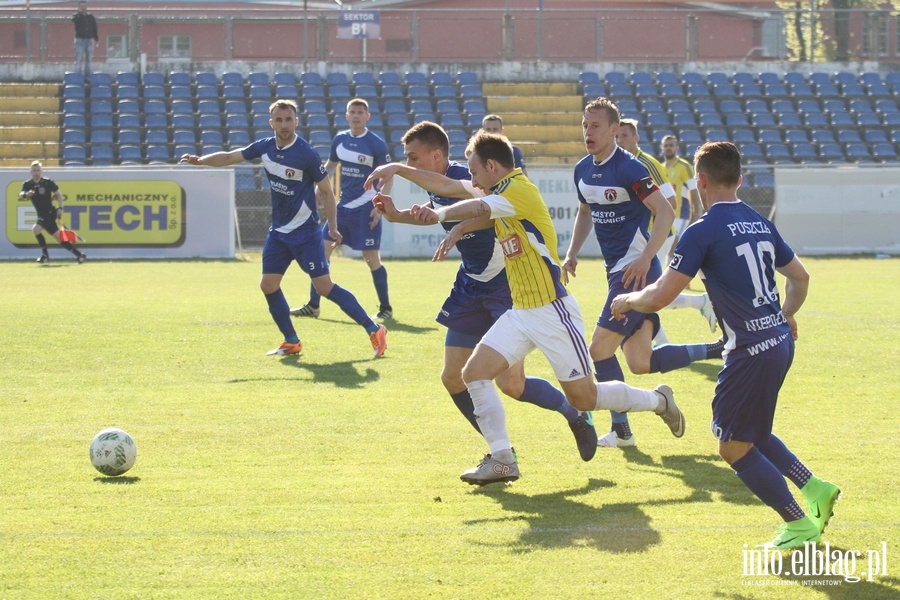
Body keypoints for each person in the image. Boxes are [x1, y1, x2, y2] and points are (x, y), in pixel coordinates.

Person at [372, 131, 686, 486]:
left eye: (474, 173)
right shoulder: (500, 189)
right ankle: (503, 459)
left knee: (586, 396)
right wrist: (453, 226)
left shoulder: (517, 191)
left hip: (552, 311)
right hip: (520, 311)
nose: (471, 181)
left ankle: (658, 401)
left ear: (492, 167)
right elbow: (481, 209)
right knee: (473, 373)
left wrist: (441, 214)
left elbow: (478, 206)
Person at [610, 141, 840, 550]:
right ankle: (816, 488)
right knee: (752, 430)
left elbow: (661, 295)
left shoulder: (703, 230)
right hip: (778, 342)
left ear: (699, 181)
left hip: (750, 351)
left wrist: (628, 300)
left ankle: (798, 524)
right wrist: (785, 315)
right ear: (739, 179)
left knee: (732, 445)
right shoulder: (759, 221)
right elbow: (801, 278)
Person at [364, 121, 598, 464]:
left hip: (506, 284)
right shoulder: (436, 183)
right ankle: (502, 452)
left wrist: (398, 170)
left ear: (437, 155)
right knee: (453, 377)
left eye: (413, 158)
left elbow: (456, 193)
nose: (409, 164)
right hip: (471, 283)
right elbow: (435, 208)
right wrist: (398, 216)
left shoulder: (467, 178)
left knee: (512, 385)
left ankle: (575, 414)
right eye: (406, 159)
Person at [564, 98, 723, 449]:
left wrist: (646, 258)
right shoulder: (582, 170)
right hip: (616, 271)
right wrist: (572, 253)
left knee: (599, 350)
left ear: (614, 131)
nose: (588, 132)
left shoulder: (630, 169)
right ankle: (720, 349)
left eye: (595, 126)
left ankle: (622, 431)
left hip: (634, 272)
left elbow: (665, 213)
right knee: (640, 361)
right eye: (584, 125)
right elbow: (586, 212)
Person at [180, 99, 387, 358]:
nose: (284, 124)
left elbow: (326, 191)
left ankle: (374, 328)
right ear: (272, 123)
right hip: (278, 233)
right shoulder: (265, 147)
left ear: (296, 121)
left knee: (324, 287)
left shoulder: (306, 154)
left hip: (306, 234)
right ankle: (291, 340)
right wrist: (200, 160)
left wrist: (332, 227)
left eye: (289, 119)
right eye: (279, 120)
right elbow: (231, 156)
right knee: (268, 284)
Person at [291, 98, 394, 321]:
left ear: (368, 116)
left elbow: (388, 176)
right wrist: (320, 186)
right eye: (352, 112)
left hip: (367, 208)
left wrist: (381, 206)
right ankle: (313, 305)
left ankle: (386, 308)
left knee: (371, 258)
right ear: (346, 116)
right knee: (320, 252)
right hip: (342, 209)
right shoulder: (339, 140)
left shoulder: (376, 144)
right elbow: (330, 166)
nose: (356, 116)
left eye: (360, 112)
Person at [617, 120, 718, 336]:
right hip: (640, 236)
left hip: (657, 233)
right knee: (645, 291)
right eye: (617, 136)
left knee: (649, 293)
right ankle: (698, 303)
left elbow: (670, 202)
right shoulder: (622, 163)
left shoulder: (649, 164)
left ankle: (696, 306)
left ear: (636, 138)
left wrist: (699, 214)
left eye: (624, 135)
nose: (619, 140)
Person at [659, 133, 717, 333]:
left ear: (676, 147)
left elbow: (693, 191)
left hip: (681, 215)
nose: (668, 148)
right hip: (665, 215)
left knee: (675, 248)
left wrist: (696, 214)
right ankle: (679, 282)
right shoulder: (661, 168)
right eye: (666, 145)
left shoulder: (683, 166)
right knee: (670, 250)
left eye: (671, 145)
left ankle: (674, 283)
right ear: (662, 147)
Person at [19, 161, 86, 264]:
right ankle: (79, 255)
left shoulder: (47, 182)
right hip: (41, 214)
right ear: (30, 172)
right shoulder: (28, 184)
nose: (36, 172)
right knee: (58, 238)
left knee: (36, 229)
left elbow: (58, 194)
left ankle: (45, 255)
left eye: (38, 170)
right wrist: (26, 194)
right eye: (34, 171)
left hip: (50, 212)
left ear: (41, 171)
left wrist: (60, 208)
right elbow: (21, 194)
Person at [72, 1, 98, 78]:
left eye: (84, 6)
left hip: (89, 40)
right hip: (80, 40)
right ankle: (78, 76)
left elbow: (94, 27)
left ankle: (88, 76)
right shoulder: (76, 16)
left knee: (89, 60)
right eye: (81, 6)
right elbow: (74, 21)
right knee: (79, 59)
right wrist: (79, 13)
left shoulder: (90, 17)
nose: (83, 8)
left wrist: (96, 38)